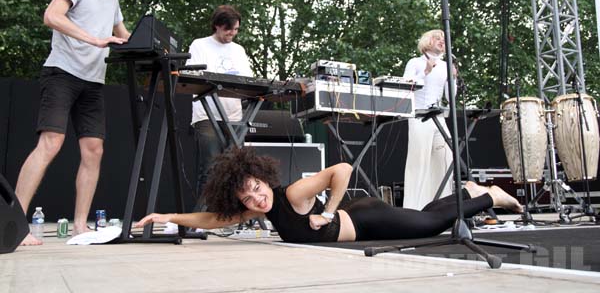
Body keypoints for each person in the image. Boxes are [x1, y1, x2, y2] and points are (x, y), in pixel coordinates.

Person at [14, 0, 137, 245]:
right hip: (62, 73)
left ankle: (81, 226)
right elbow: (52, 16)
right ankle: (15, 223)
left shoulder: (112, 2)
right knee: (51, 143)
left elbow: (128, 39)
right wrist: (93, 39)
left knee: (94, 150)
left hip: (93, 83)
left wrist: (161, 52)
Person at [135, 148, 522, 243]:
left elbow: (342, 170)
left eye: (257, 188)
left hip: (366, 219)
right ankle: (467, 190)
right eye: (248, 198)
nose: (256, 199)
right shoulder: (260, 211)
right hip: (359, 221)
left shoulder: (293, 194)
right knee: (423, 214)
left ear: (265, 180)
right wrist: (165, 217)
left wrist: (328, 212)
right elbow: (212, 220)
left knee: (432, 225)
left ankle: (488, 195)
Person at [185, 5, 252, 212]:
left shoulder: (239, 50)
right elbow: (192, 75)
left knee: (234, 168)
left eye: (236, 30)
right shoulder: (199, 45)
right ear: (217, 26)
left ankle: (230, 214)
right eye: (228, 29)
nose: (232, 33)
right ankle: (203, 216)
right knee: (211, 167)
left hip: (233, 116)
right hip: (207, 114)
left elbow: (248, 80)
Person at [402, 29, 457, 210]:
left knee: (446, 159)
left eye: (444, 39)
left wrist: (453, 78)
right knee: (419, 162)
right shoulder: (415, 62)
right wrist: (424, 72)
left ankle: (443, 207)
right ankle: (414, 209)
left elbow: (450, 97)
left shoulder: (445, 65)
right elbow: (405, 88)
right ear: (427, 41)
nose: (442, 41)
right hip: (419, 117)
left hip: (439, 118)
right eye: (438, 38)